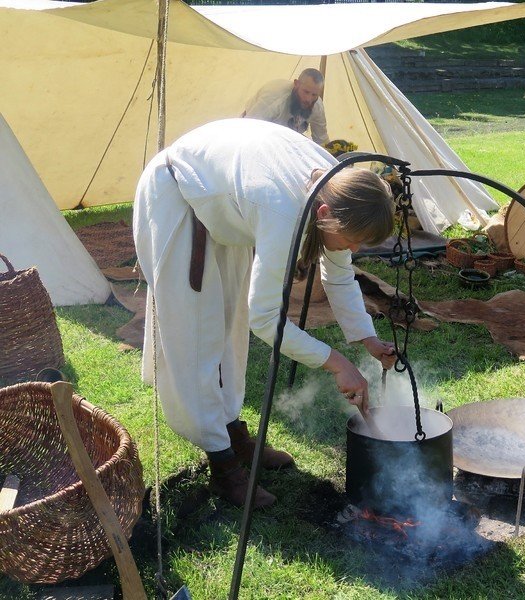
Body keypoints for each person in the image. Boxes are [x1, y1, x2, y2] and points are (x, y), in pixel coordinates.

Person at [133, 119, 396, 508]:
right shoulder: (284, 210)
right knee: (195, 333)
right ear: (324, 213)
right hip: (177, 196)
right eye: (352, 240)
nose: (353, 250)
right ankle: (221, 464)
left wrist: (368, 340)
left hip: (225, 206)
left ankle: (233, 433)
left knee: (230, 327)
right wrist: (337, 362)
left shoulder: (339, 190)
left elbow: (339, 274)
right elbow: (267, 320)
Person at [242, 68, 330, 146]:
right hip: (259, 137)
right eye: (306, 92)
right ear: (296, 84)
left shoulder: (317, 106)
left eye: (314, 95)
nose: (309, 99)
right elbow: (249, 129)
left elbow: (321, 140)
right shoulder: (274, 96)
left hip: (289, 141)